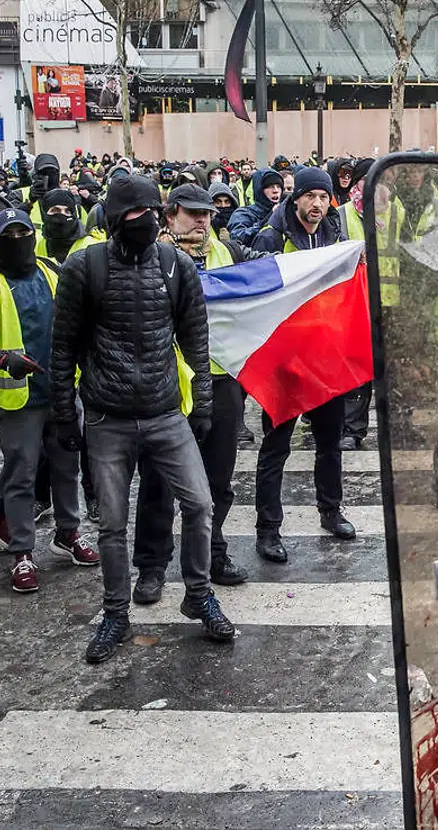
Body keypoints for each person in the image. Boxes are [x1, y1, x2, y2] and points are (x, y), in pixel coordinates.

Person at [51, 172, 235, 664]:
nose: (146, 222)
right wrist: (64, 412)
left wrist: (203, 399)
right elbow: (63, 344)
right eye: (135, 215)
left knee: (200, 505)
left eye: (153, 213)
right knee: (111, 524)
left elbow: (195, 336)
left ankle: (197, 593)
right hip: (107, 418)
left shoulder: (176, 265)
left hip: (164, 413)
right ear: (114, 219)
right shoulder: (83, 267)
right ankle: (115, 612)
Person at [131, 184, 264, 602]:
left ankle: (212, 552)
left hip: (222, 382)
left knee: (218, 478)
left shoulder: (229, 253)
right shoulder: (150, 256)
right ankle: (152, 567)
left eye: (207, 213)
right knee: (158, 481)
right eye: (192, 213)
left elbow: (273, 272)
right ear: (169, 216)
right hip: (167, 383)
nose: (202, 220)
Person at [0, 209, 98, 593]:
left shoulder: (53, 271)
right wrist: (2, 358)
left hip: (64, 389)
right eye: (10, 233)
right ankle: (22, 551)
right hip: (18, 397)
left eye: (24, 231)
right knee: (22, 472)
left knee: (67, 464)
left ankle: (69, 532)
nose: (18, 239)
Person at [250, 168, 356, 563]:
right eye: (310, 196)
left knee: (330, 442)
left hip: (324, 359)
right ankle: (268, 530)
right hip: (284, 362)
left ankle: (331, 511)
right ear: (295, 200)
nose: (316, 204)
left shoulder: (335, 236)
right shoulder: (271, 237)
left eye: (323, 197)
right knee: (276, 448)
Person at [226, 168, 284, 246]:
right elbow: (237, 238)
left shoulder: (285, 212)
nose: (275, 190)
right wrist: (267, 220)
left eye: (278, 186)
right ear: (259, 189)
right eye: (269, 186)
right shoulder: (243, 213)